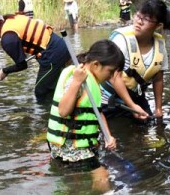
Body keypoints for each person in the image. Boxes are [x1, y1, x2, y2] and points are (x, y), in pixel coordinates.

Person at [46, 40, 125, 192]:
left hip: (80, 147)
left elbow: (97, 112)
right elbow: (63, 111)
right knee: (102, 175)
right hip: (70, 148)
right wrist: (76, 82)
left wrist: (108, 136)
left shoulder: (92, 81)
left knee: (79, 184)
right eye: (110, 71)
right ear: (96, 65)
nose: (110, 77)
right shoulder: (78, 78)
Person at [101, 0, 170, 122]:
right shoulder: (122, 40)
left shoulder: (160, 46)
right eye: (138, 16)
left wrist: (158, 108)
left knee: (150, 125)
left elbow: (158, 78)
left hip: (135, 96)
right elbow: (114, 77)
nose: (139, 22)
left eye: (146, 19)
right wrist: (132, 106)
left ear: (158, 26)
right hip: (109, 98)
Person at [0, 12, 71, 103]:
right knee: (57, 85)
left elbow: (22, 65)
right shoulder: (10, 20)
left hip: (53, 55)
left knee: (41, 92)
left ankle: (50, 118)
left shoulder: (7, 39)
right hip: (61, 45)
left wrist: (5, 71)